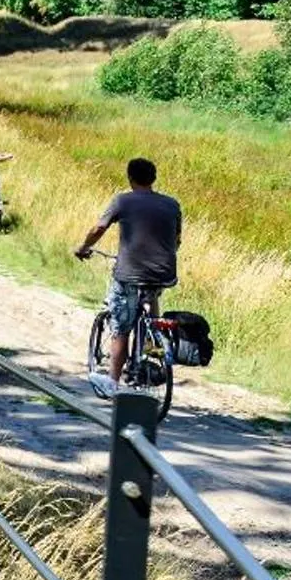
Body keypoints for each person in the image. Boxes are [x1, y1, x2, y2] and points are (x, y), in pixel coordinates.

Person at [73, 157, 184, 399]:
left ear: (130, 177)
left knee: (121, 326)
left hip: (130, 273)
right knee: (151, 306)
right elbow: (177, 241)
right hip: (163, 274)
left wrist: (83, 247)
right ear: (153, 178)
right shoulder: (172, 204)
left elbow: (99, 228)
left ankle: (112, 381)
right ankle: (152, 348)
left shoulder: (123, 201)